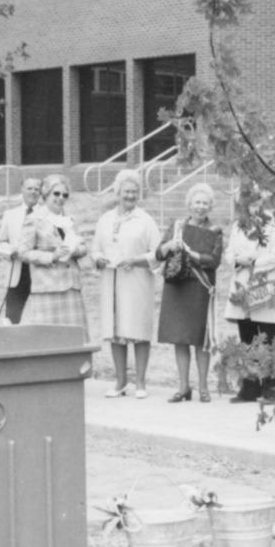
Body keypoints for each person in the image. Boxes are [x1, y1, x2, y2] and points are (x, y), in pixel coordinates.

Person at [91, 168, 160, 396]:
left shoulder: (146, 220)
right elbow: (95, 248)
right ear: (117, 192)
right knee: (116, 331)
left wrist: (137, 260)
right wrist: (98, 259)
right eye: (126, 191)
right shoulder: (105, 219)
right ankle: (120, 381)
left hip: (137, 282)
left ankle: (140, 382)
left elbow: (158, 254)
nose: (130, 196)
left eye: (134, 191)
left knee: (138, 330)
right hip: (111, 280)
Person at [154, 183, 224, 402]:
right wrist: (168, 247)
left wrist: (192, 254)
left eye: (205, 203)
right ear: (189, 204)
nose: (200, 207)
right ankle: (184, 387)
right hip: (177, 286)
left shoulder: (215, 231)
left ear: (210, 206)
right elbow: (159, 252)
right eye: (197, 202)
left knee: (200, 339)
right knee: (179, 337)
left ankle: (203, 387)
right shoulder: (177, 226)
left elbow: (214, 261)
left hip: (200, 288)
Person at [224, 182, 275, 403]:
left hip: (265, 284)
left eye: (258, 201)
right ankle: (250, 386)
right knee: (247, 336)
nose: (254, 205)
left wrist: (253, 261)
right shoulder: (238, 226)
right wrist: (236, 260)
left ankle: (273, 387)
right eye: (249, 201)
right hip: (243, 284)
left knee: (268, 337)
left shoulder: (274, 225)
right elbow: (229, 252)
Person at [14, 173, 91, 332]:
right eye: (56, 193)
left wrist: (77, 250)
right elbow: (22, 252)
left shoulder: (69, 220)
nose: (60, 198)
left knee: (75, 339)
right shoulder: (34, 218)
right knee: (49, 339)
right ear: (46, 194)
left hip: (72, 288)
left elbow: (83, 245)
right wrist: (51, 256)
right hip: (47, 289)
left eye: (65, 195)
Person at [0, 177, 44, 323]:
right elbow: (1, 242)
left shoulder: (45, 213)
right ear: (22, 190)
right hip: (17, 271)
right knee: (12, 317)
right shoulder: (10, 215)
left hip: (40, 271)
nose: (33, 192)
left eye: (37, 189)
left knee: (40, 317)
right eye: (30, 188)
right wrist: (10, 252)